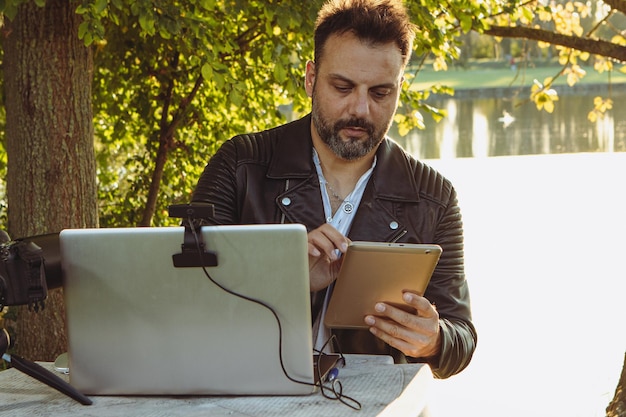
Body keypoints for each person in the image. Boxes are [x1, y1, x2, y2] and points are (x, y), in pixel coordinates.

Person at [191, 0, 476, 379]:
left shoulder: (435, 197)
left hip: (371, 402)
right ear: (311, 78)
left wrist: (434, 340)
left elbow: (462, 338)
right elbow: (186, 300)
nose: (360, 109)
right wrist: (286, 280)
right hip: (247, 395)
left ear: (399, 89)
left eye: (380, 93)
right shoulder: (239, 164)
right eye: (342, 87)